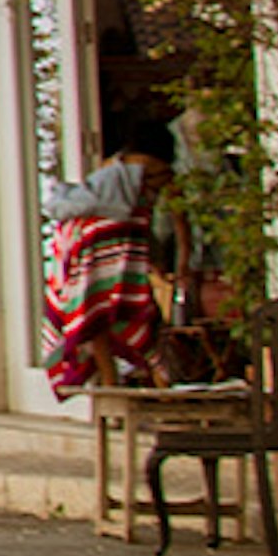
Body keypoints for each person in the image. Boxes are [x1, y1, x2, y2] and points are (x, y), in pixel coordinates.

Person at [40, 137, 171, 397]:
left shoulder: (109, 170)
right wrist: (167, 264)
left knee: (92, 313)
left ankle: (114, 384)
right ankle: (158, 379)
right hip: (104, 239)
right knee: (127, 310)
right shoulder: (155, 170)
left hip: (79, 239)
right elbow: (174, 223)